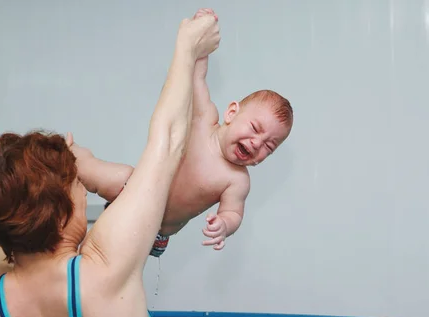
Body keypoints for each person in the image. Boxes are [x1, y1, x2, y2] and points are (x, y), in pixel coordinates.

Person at [0, 11, 221, 317]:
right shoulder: (104, 269)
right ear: (63, 211)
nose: (85, 190)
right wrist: (187, 49)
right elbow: (166, 143)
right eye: (79, 186)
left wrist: (43, 177)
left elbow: (7, 225)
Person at [71, 8, 293, 257]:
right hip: (132, 191)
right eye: (255, 129)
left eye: (268, 147)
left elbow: (233, 213)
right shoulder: (204, 120)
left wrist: (224, 226)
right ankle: (70, 156)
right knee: (104, 173)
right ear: (232, 113)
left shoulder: (237, 181)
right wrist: (200, 41)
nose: (256, 143)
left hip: (157, 231)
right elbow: (197, 79)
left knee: (99, 259)